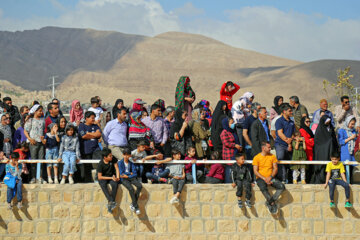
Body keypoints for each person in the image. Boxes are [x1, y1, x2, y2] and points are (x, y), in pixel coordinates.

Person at [253, 142, 285, 214]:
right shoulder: (256, 157)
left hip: (271, 177)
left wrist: (270, 177)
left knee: (281, 186)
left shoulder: (272, 156)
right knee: (263, 188)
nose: (270, 149)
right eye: (269, 147)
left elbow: (275, 168)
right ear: (263, 148)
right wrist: (265, 179)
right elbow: (255, 171)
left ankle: (270, 202)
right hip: (261, 178)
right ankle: (272, 204)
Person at [312, 115, 339, 184]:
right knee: (322, 168)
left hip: (330, 152)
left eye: (329, 122)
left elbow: (334, 140)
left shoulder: (331, 129)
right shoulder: (319, 130)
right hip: (321, 153)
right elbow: (318, 144)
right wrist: (328, 143)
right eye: (326, 122)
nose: (328, 124)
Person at [24, 104, 45, 184]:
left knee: (41, 160)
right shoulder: (30, 120)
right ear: (35, 111)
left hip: (41, 143)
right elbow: (25, 131)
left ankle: (40, 177)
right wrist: (29, 139)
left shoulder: (42, 120)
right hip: (33, 143)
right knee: (33, 160)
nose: (41, 112)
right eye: (39, 111)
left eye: (41, 111)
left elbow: (43, 131)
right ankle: (33, 177)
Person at [78, 111, 102, 182]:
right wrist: (94, 134)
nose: (93, 119)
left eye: (94, 118)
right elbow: (84, 136)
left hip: (96, 148)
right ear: (86, 118)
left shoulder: (95, 126)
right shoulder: (82, 126)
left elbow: (99, 134)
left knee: (100, 161)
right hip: (86, 150)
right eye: (92, 118)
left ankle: (97, 178)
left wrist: (89, 133)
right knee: (87, 167)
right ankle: (87, 181)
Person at [275, 103, 295, 183]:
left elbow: (293, 133)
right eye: (289, 111)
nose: (291, 112)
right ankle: (281, 179)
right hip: (280, 144)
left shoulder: (291, 122)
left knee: (290, 162)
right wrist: (288, 141)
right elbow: (280, 133)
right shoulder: (279, 121)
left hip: (289, 145)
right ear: (284, 111)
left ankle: (290, 180)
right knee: (281, 160)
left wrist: (290, 141)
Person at [118, 148, 142, 215]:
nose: (126, 156)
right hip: (124, 179)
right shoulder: (120, 163)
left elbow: (135, 173)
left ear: (130, 156)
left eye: (128, 155)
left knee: (139, 186)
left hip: (131, 178)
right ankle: (136, 207)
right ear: (123, 155)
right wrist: (129, 173)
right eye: (125, 155)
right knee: (131, 189)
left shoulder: (131, 163)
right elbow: (121, 174)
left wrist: (128, 175)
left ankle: (133, 203)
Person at [97, 148, 120, 213]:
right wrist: (111, 178)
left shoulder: (113, 159)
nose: (111, 157)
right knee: (103, 184)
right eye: (110, 156)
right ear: (105, 157)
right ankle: (111, 201)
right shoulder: (100, 164)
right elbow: (99, 177)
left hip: (112, 176)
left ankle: (110, 204)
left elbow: (116, 168)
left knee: (115, 184)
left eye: (111, 155)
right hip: (103, 178)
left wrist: (117, 177)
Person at [220, 117, 242, 183]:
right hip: (229, 155)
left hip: (235, 153)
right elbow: (226, 143)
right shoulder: (224, 132)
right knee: (229, 171)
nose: (233, 124)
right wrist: (235, 145)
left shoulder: (233, 131)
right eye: (231, 123)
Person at [338, 115, 357, 183]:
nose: (352, 125)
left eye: (354, 124)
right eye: (351, 124)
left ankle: (350, 183)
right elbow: (341, 142)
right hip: (345, 152)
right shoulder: (341, 130)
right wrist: (350, 138)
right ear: (347, 122)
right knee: (345, 169)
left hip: (352, 153)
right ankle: (345, 183)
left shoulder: (353, 131)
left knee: (351, 168)